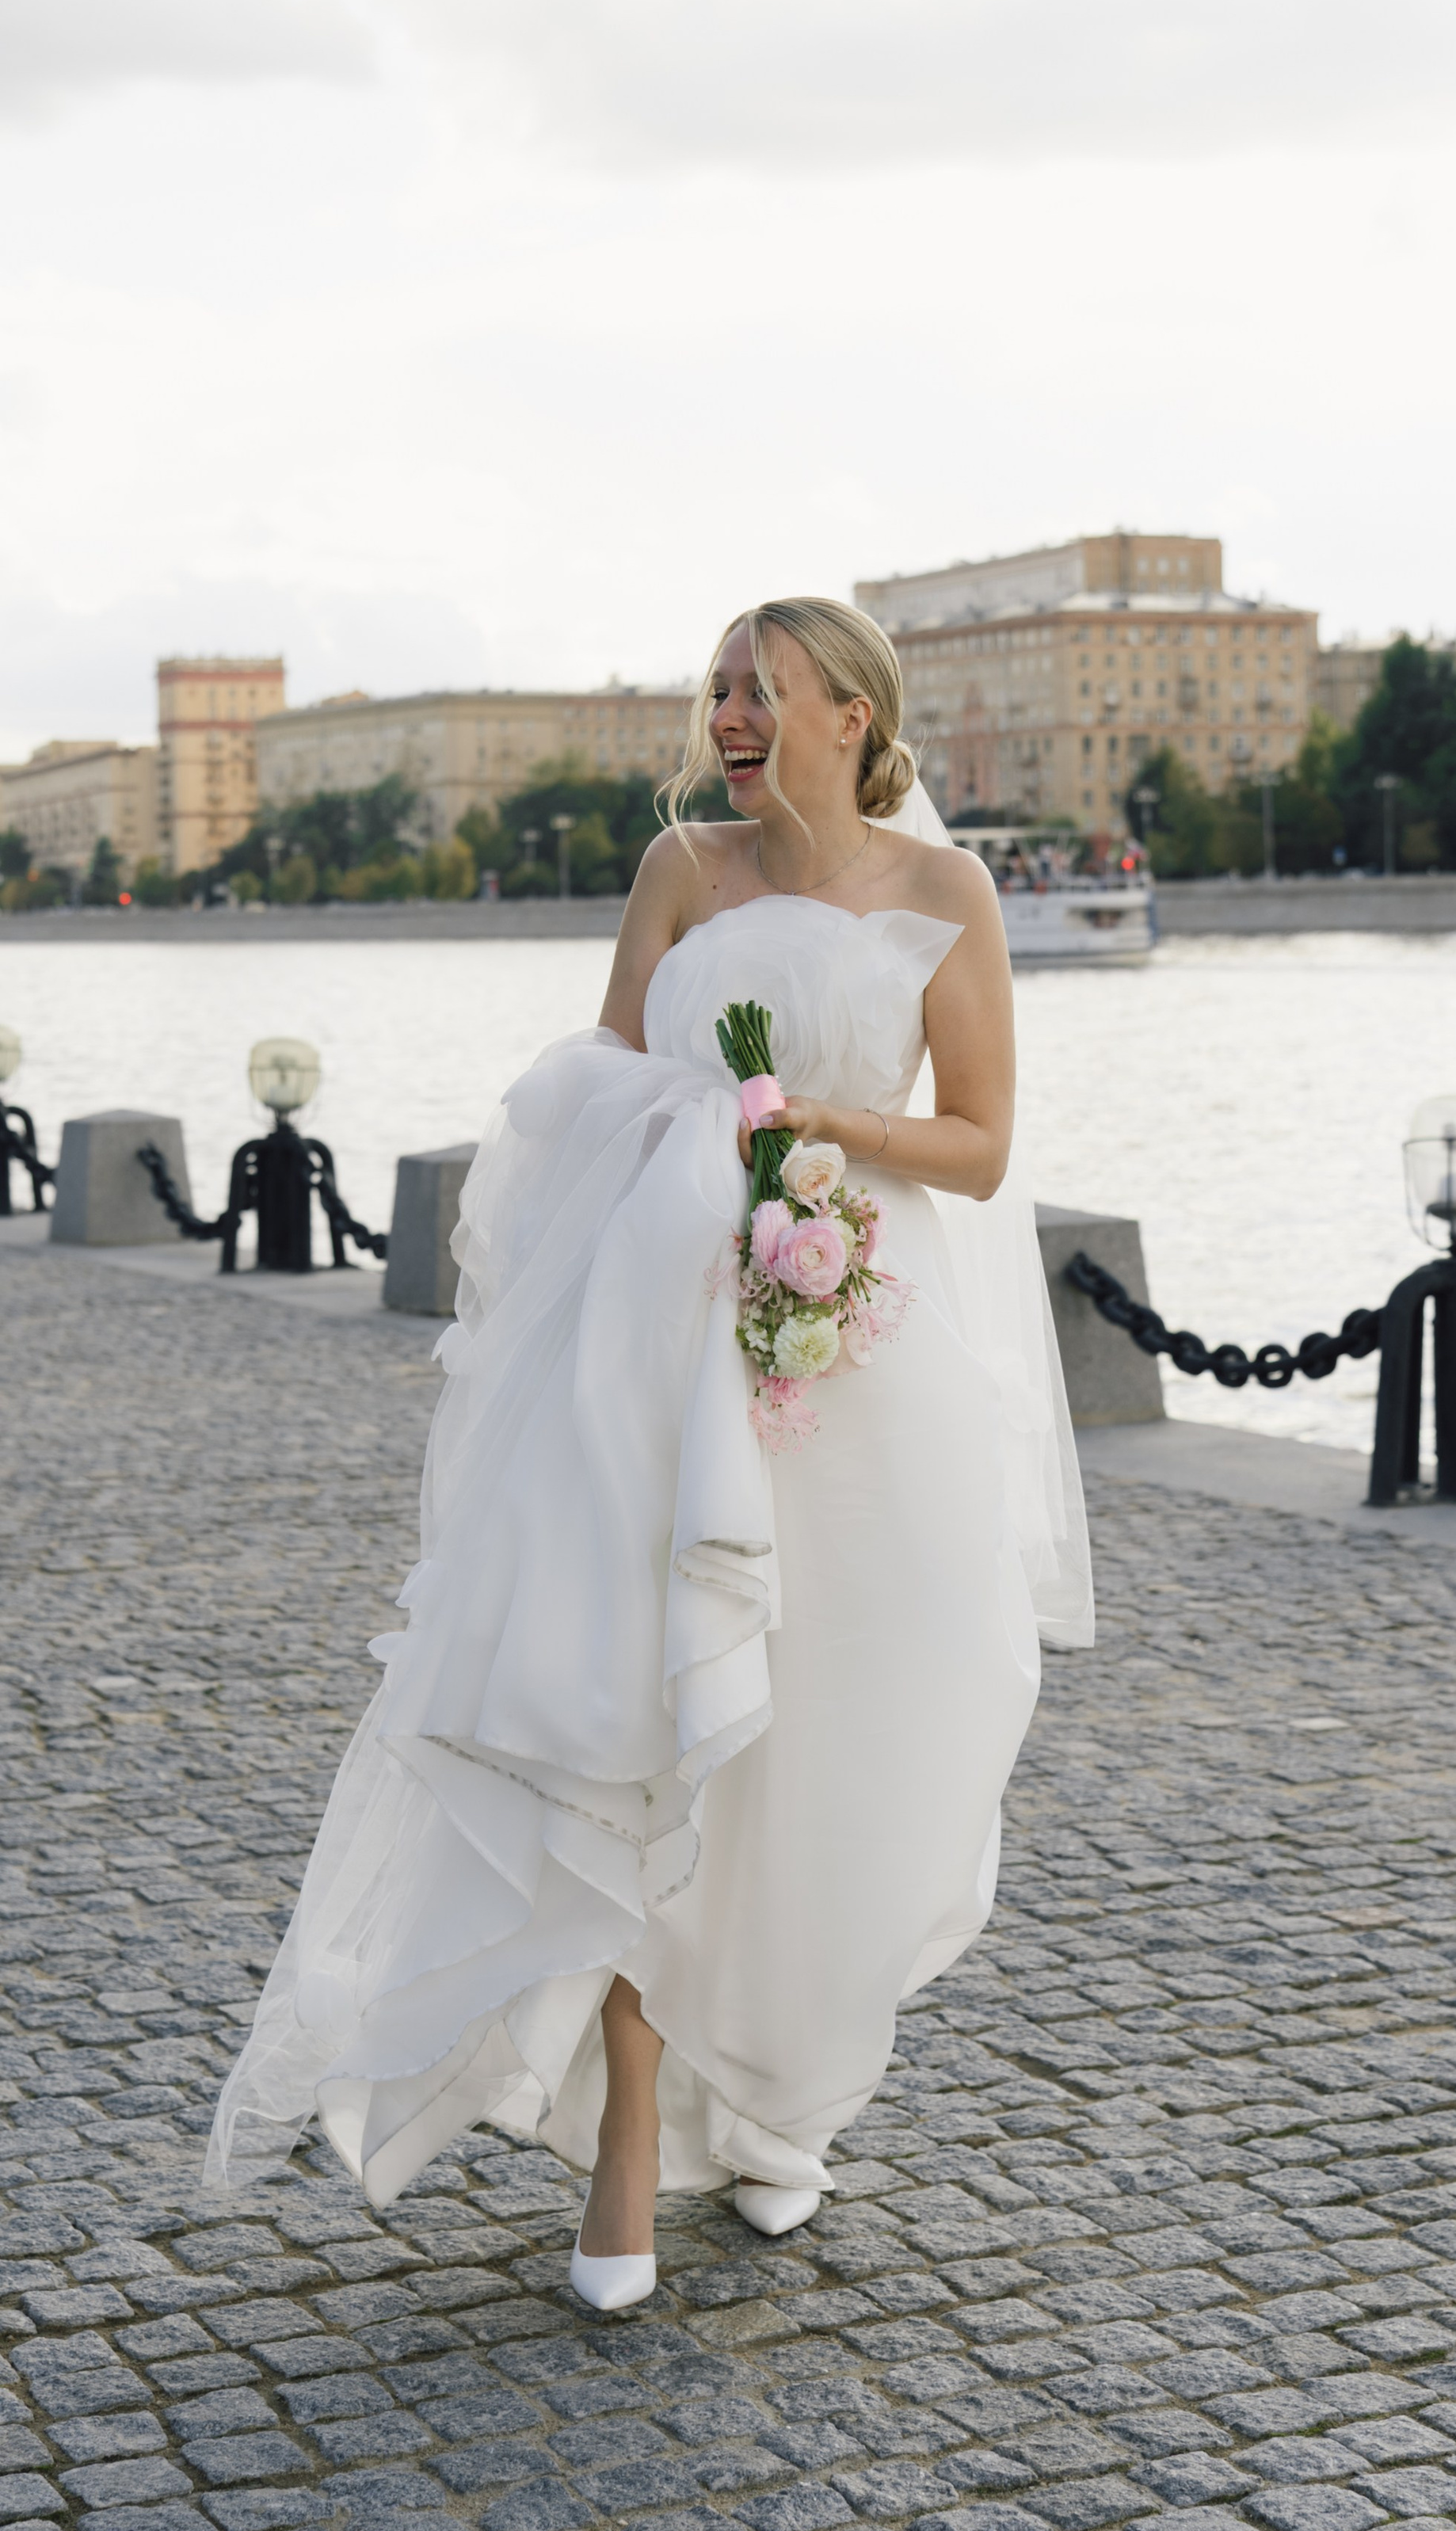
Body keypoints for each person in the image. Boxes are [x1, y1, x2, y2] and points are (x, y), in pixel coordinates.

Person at [207, 598, 1092, 2312]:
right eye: (718, 688)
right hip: (655, 1358)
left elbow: (979, 1147)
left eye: (764, 688)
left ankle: (775, 2100)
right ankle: (623, 2141)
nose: (732, 712)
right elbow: (598, 1086)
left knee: (835, 1741)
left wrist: (819, 1129)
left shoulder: (945, 896)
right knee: (643, 1723)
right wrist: (692, 1154)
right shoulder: (681, 868)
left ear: (851, 710)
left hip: (853, 1354)